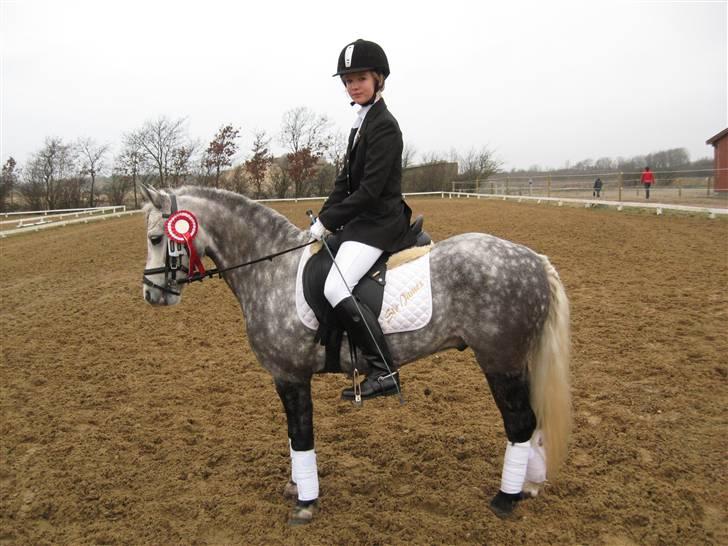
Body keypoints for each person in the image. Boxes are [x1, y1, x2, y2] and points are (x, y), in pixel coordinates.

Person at [309, 39, 416, 401]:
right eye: (347, 80)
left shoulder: (384, 125)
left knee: (336, 287)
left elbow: (369, 191)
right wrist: (322, 219)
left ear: (378, 79)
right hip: (362, 222)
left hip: (381, 222)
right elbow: (344, 184)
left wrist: (331, 222)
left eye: (360, 78)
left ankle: (384, 371)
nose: (353, 85)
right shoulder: (361, 123)